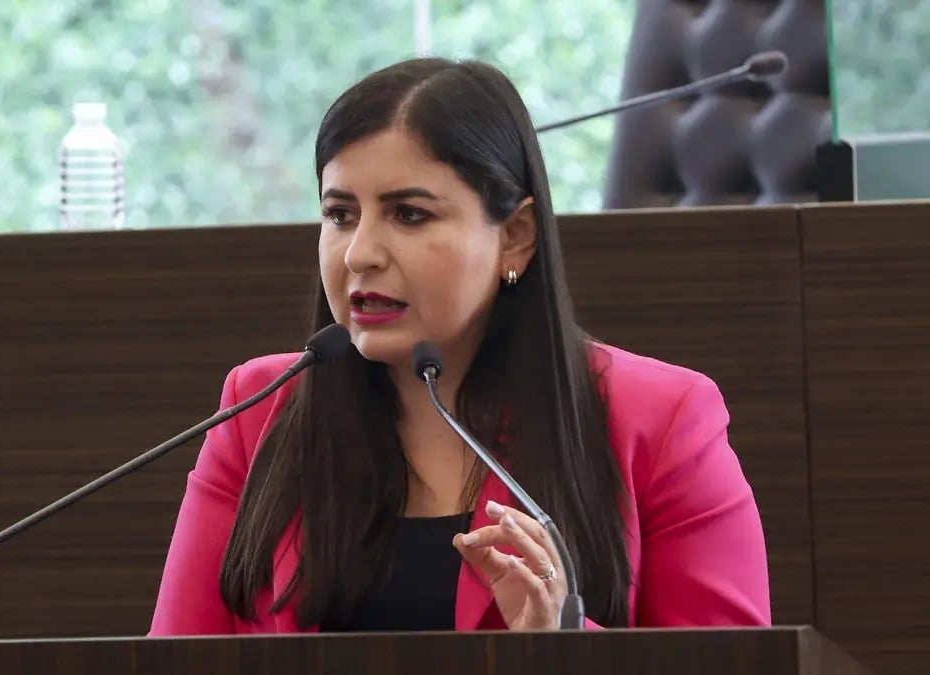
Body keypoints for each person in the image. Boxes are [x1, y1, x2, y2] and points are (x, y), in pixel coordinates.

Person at [149, 58, 770, 635]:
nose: (360, 252)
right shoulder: (258, 409)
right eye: (340, 215)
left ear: (516, 236)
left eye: (409, 215)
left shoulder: (661, 419)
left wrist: (570, 643)